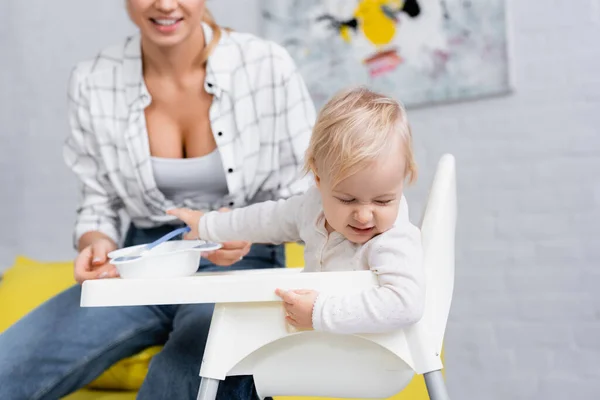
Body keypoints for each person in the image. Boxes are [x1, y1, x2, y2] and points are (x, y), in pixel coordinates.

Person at [0, 1, 315, 399]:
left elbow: (307, 194)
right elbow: (100, 200)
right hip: (140, 260)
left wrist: (244, 229)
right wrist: (96, 244)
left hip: (243, 259)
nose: (165, 5)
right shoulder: (93, 80)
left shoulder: (267, 66)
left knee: (187, 376)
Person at [168, 86, 425, 334]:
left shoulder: (393, 239)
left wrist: (320, 312)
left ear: (404, 178)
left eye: (382, 201)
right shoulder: (312, 206)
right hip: (319, 346)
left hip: (369, 354)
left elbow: (406, 304)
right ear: (318, 178)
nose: (364, 215)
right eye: (347, 200)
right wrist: (206, 226)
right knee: (226, 327)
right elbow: (267, 220)